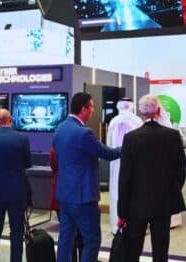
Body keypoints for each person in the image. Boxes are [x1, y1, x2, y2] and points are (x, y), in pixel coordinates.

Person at [53, 92, 121, 262]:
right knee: (92, 240)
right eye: (91, 107)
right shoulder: (84, 133)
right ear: (84, 109)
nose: (93, 111)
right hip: (84, 197)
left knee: (66, 239)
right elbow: (108, 154)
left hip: (65, 195)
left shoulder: (60, 128)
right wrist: (129, 145)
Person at [118, 95, 186, 262]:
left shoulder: (131, 138)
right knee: (161, 249)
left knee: (133, 249)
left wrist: (122, 210)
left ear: (141, 112)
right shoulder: (172, 135)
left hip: (136, 203)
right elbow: (180, 170)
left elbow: (125, 176)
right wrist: (173, 189)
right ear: (158, 110)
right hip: (163, 202)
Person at [0, 109, 31, 262]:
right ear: (10, 120)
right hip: (16, 192)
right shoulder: (22, 139)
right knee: (17, 232)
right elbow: (27, 163)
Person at [106, 98, 143, 235]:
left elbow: (109, 145)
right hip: (135, 165)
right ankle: (135, 226)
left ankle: (117, 225)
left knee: (117, 191)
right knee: (134, 192)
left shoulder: (113, 121)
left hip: (116, 163)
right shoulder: (137, 121)